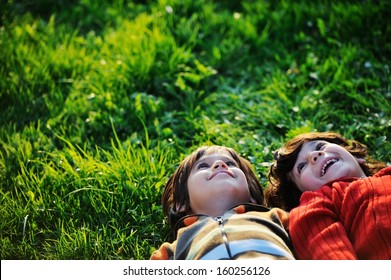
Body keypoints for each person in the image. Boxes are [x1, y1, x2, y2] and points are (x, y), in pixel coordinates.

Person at [150, 145, 295, 260]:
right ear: (181, 203)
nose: (220, 164)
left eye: (230, 163)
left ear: (252, 195)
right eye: (203, 166)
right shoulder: (174, 248)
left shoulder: (276, 218)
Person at [265, 131, 391, 259]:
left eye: (320, 146)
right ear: (300, 194)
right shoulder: (316, 204)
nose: (315, 155)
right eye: (302, 167)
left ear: (355, 155)